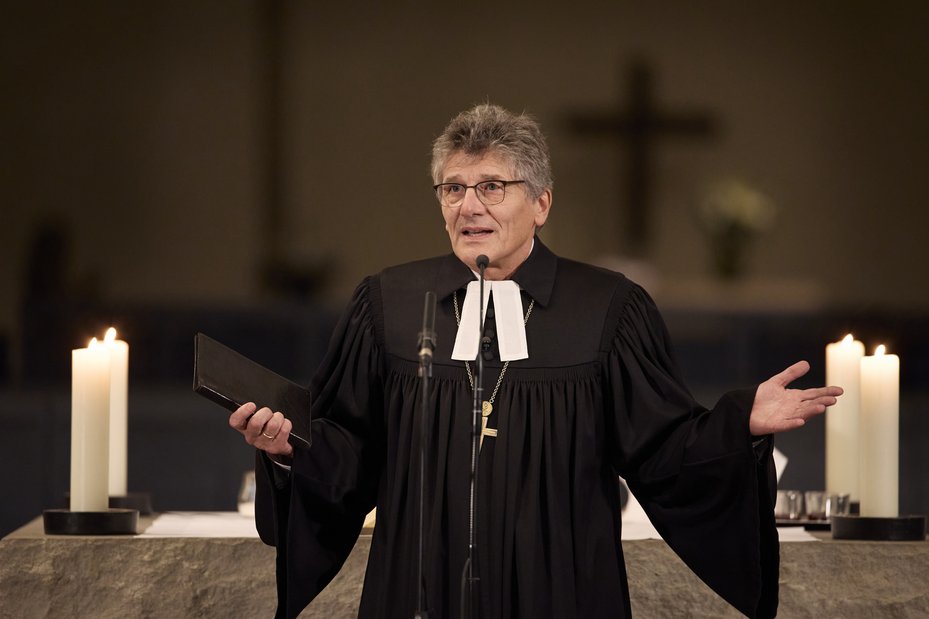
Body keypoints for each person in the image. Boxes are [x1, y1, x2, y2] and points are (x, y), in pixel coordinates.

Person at [229, 103, 842, 619]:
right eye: (453, 188)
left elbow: (662, 450)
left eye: (492, 187)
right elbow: (348, 453)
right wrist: (288, 450)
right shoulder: (387, 304)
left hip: (563, 589)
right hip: (420, 589)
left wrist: (740, 422)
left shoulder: (608, 309)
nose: (470, 207)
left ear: (541, 203)